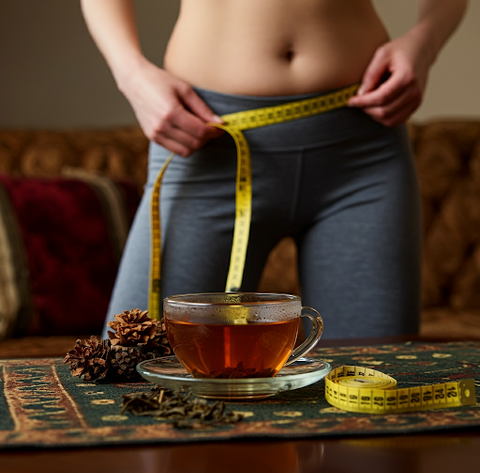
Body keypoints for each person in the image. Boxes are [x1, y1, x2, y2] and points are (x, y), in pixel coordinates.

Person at [80, 0, 468, 339]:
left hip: (362, 146)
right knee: (134, 372)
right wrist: (131, 75)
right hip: (208, 142)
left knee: (376, 384)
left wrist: (425, 42)